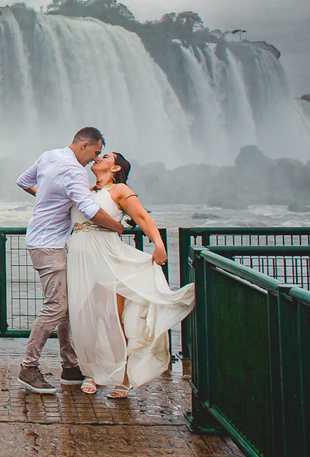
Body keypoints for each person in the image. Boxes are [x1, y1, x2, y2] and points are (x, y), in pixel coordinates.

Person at [67, 151, 195, 398]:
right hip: (80, 258)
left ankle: (123, 378)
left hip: (107, 257)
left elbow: (142, 216)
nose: (97, 158)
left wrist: (158, 244)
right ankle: (90, 374)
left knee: (113, 318)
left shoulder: (120, 190)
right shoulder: (84, 189)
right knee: (86, 319)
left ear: (115, 168)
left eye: (104, 156)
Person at [15, 127, 126, 394]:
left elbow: (22, 180)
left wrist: (48, 198)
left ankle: (71, 367)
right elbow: (88, 209)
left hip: (42, 240)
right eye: (96, 153)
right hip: (49, 244)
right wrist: (118, 227)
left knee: (66, 307)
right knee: (56, 306)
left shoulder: (49, 156)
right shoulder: (75, 171)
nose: (94, 160)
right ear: (85, 144)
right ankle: (28, 367)